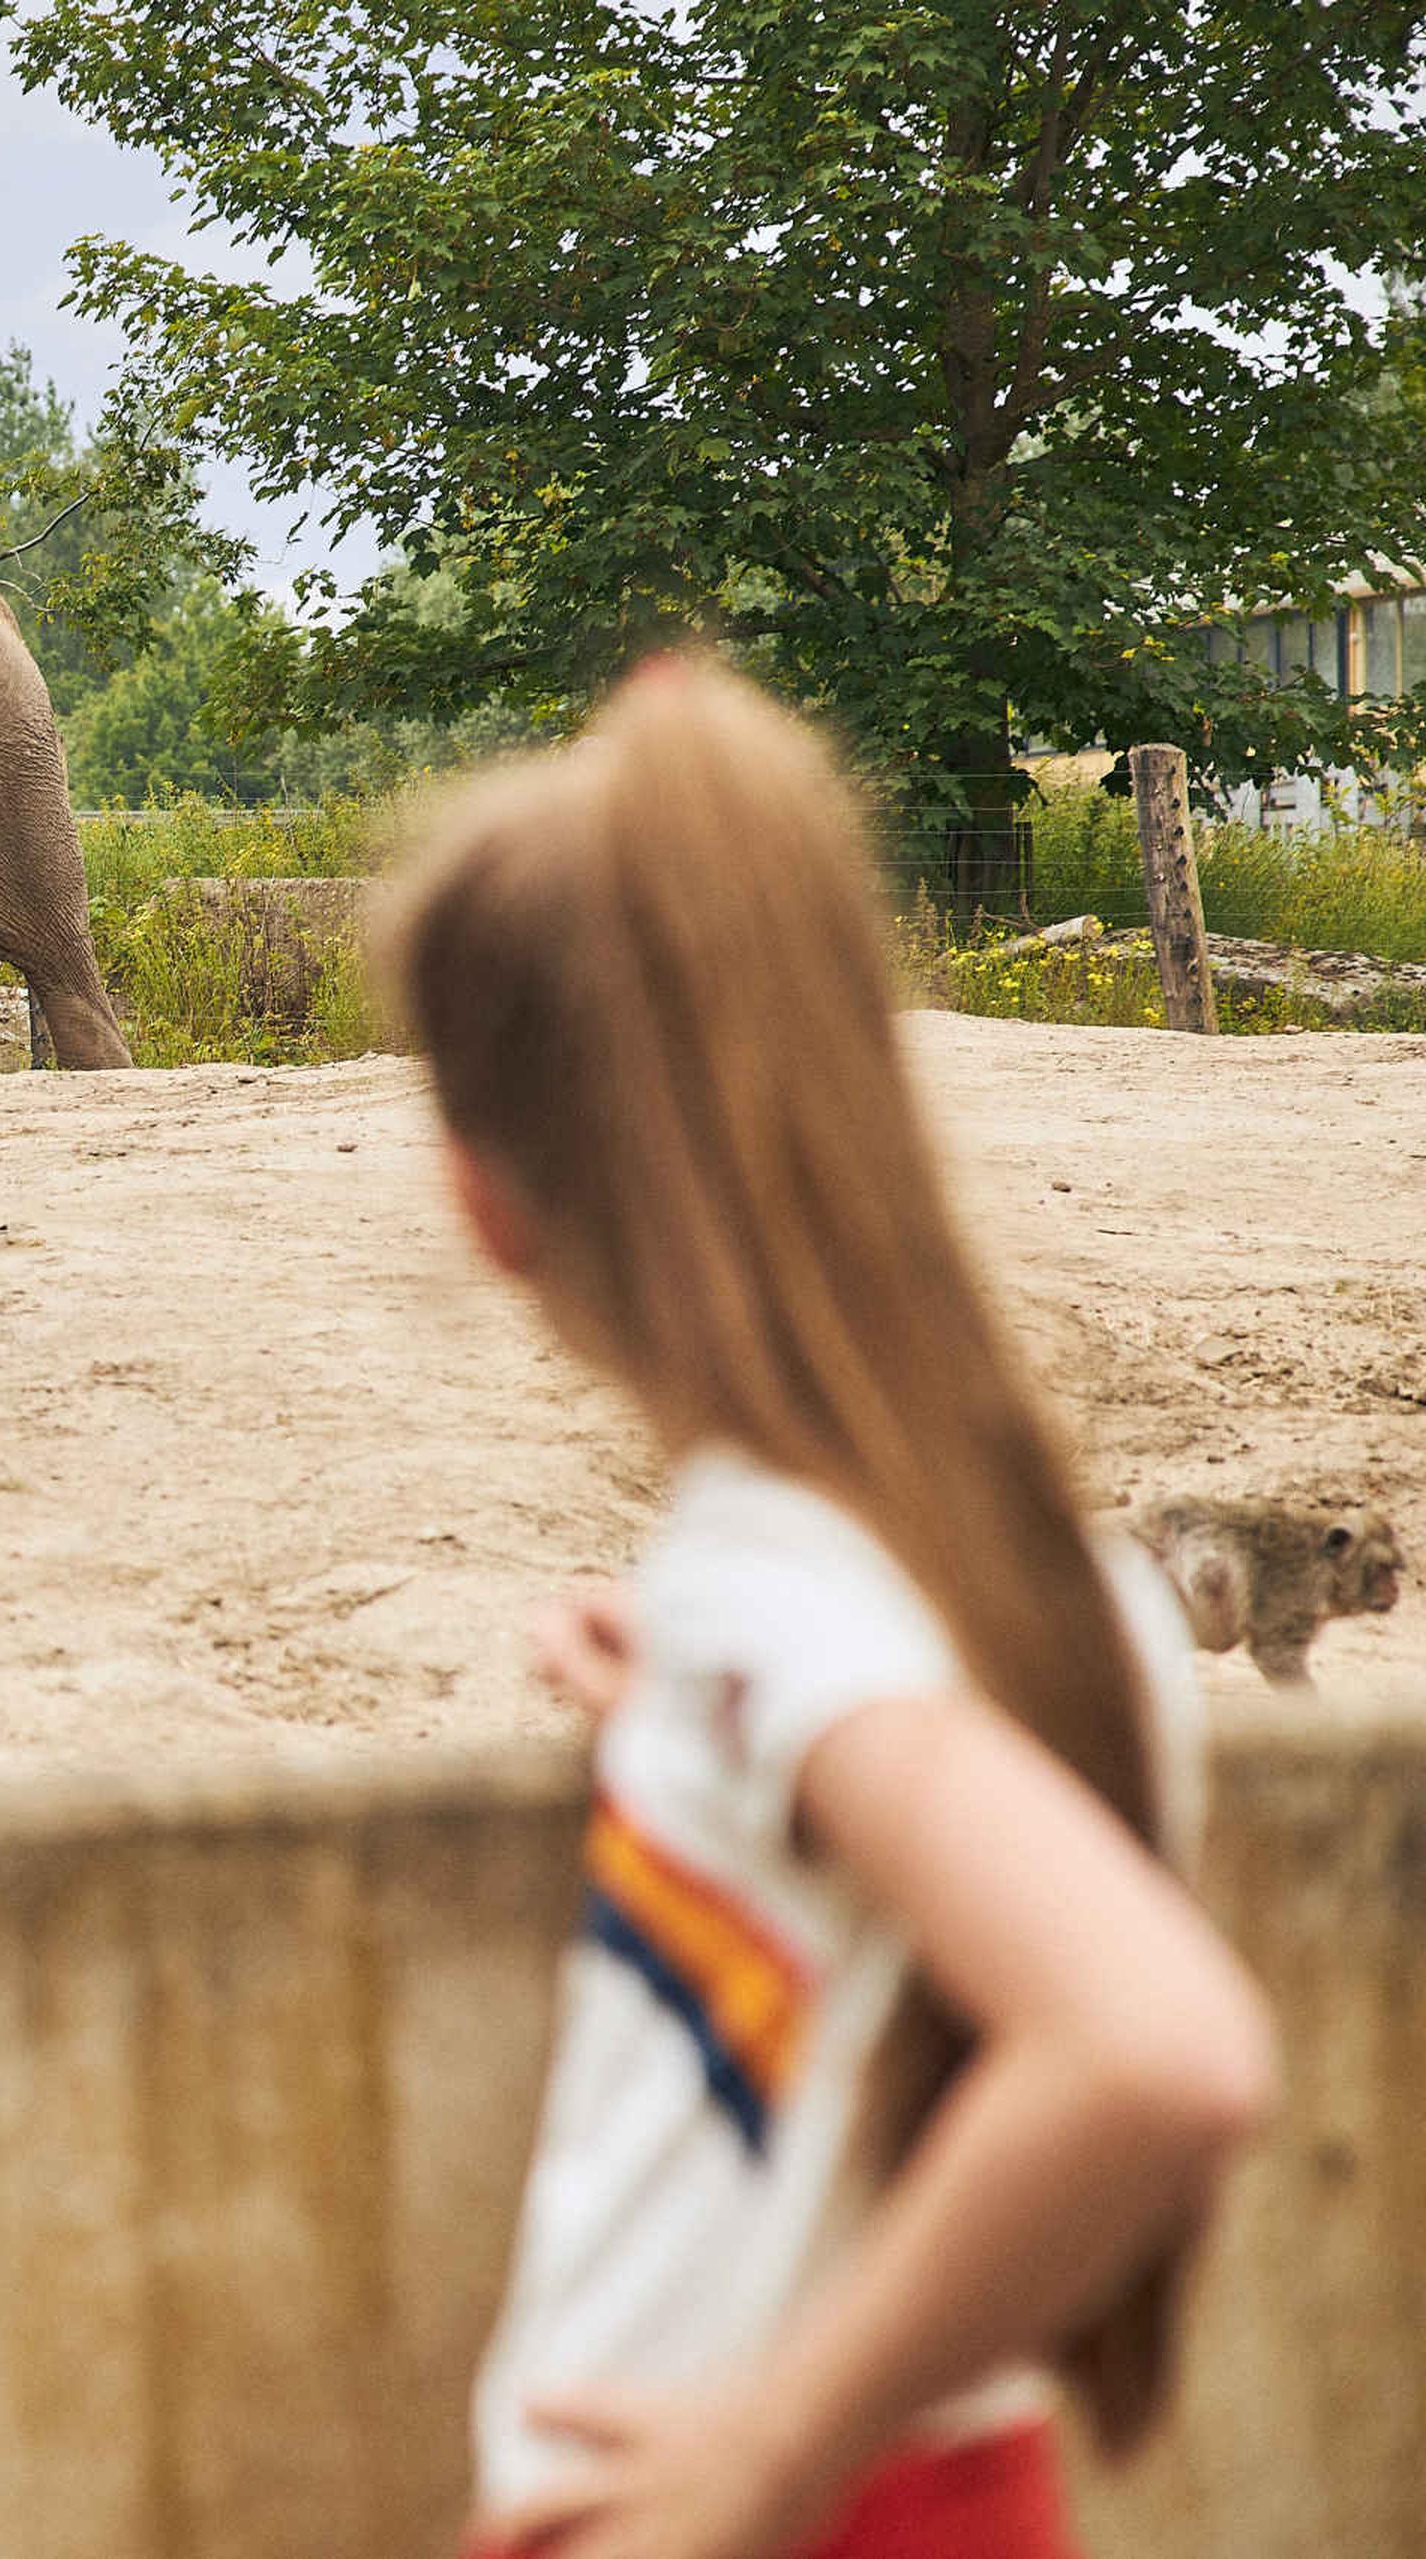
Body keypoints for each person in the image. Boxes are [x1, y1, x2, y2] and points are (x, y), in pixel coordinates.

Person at [393, 659, 1276, 2559]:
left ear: (487, 1202)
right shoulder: (1054, 1586)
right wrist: (695, 1715)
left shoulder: (767, 1588)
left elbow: (1158, 2048)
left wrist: (771, 2448)